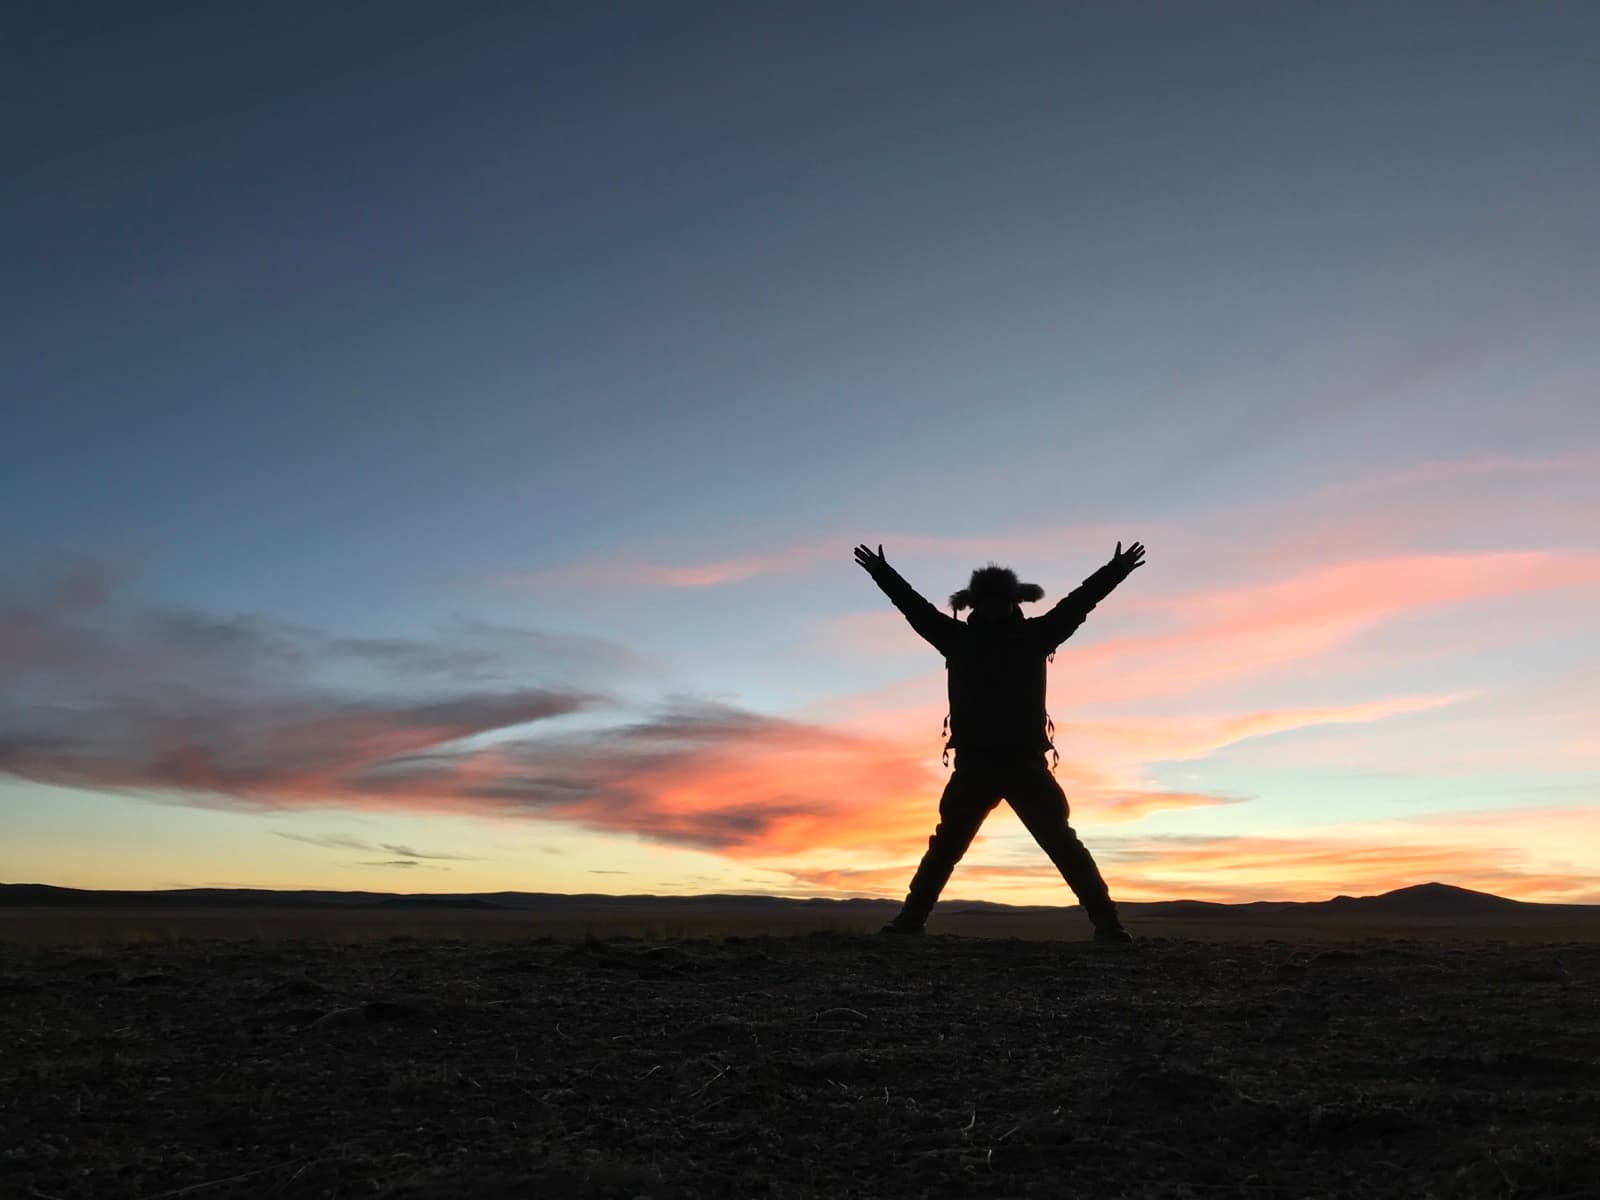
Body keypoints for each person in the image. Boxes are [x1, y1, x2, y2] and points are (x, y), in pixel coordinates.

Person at [853, 539, 1146, 943]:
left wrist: (1115, 571)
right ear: (976, 604)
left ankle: (1109, 925)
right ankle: (911, 921)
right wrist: (882, 573)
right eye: (987, 600)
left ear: (1014, 601)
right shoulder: (955, 638)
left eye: (1001, 599)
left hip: (1026, 763)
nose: (994, 606)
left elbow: (1079, 603)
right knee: (946, 848)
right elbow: (913, 608)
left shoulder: (1038, 635)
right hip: (975, 765)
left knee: (1062, 845)